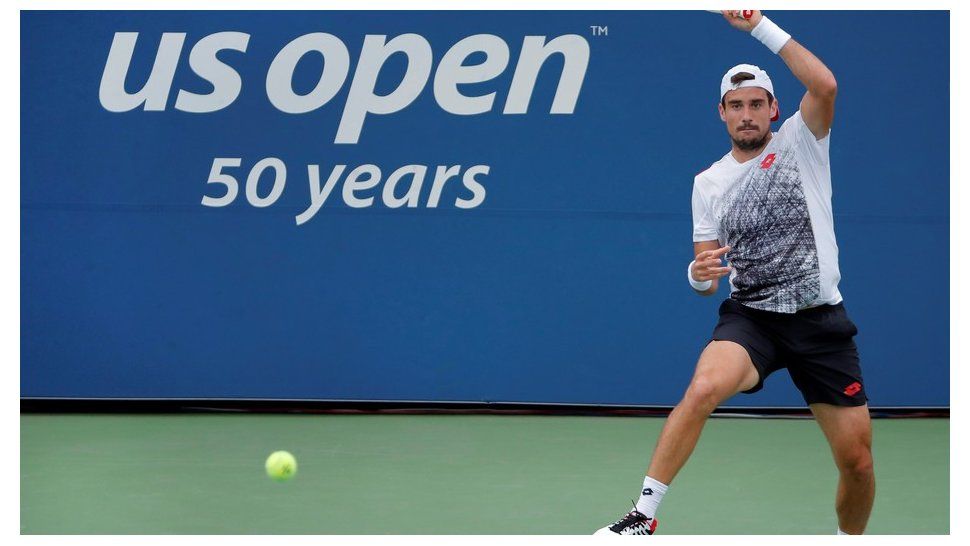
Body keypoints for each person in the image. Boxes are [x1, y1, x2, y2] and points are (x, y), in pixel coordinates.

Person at [595, 10, 874, 535]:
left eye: (756, 104)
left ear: (774, 109)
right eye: (735, 106)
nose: (746, 114)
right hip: (753, 319)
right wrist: (697, 274)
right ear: (722, 113)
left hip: (821, 323)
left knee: (857, 463)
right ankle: (643, 515)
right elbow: (707, 277)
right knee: (703, 387)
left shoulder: (803, 141)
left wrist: (760, 26)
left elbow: (826, 83)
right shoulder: (709, 183)